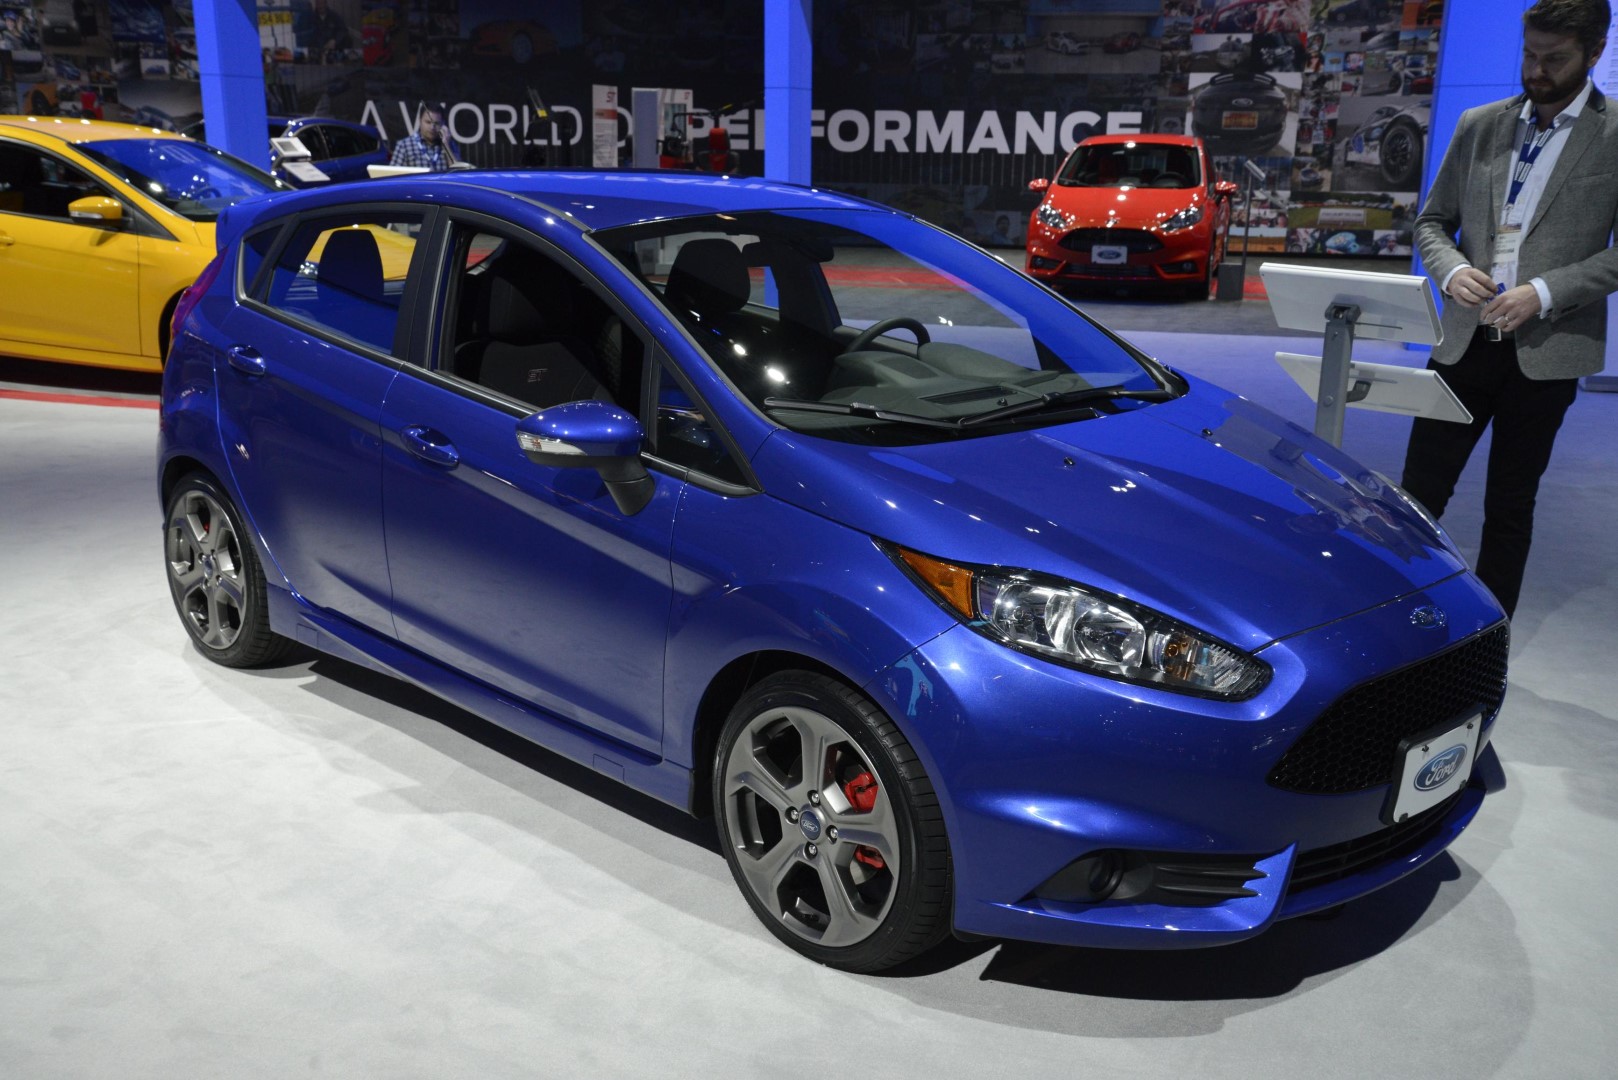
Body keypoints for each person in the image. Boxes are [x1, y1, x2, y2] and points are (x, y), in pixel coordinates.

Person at [1402, 0, 1618, 618]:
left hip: (1548, 350)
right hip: (1462, 343)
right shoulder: (1480, 124)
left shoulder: (1614, 134)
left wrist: (1543, 292)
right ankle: (1396, 625)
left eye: (1555, 59)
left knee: (1510, 507)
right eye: (1530, 54)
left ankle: (1487, 638)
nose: (1536, 70)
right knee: (1414, 500)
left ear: (1596, 52)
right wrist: (1452, 270)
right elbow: (1432, 222)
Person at [390, 103, 458, 171]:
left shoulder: (450, 144)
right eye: (428, 122)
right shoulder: (404, 146)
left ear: (443, 124)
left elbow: (458, 173)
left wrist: (446, 145)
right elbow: (393, 174)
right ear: (420, 121)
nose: (432, 127)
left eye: (436, 123)